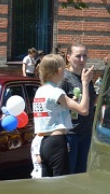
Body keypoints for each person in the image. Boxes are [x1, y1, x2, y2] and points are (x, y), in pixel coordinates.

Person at [33, 54, 92, 177]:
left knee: (48, 185)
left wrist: (71, 101)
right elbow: (84, 110)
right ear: (59, 70)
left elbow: (52, 109)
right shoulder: (56, 92)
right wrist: (85, 83)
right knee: (61, 184)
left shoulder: (40, 90)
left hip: (44, 142)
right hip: (57, 142)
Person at [60, 43, 98, 173]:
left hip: (86, 133)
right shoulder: (64, 79)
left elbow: (91, 102)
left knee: (82, 173)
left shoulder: (86, 76)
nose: (82, 60)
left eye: (84, 56)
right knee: (69, 172)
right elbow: (58, 107)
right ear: (68, 57)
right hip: (70, 133)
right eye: (78, 56)